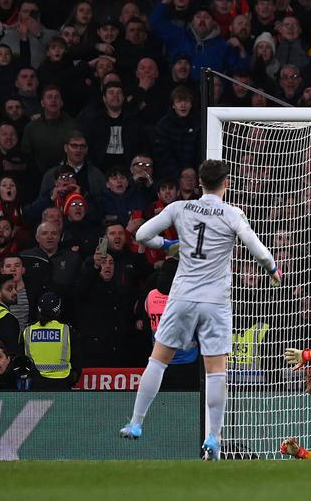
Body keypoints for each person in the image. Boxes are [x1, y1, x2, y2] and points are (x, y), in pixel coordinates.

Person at [120, 159, 280, 460]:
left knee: (158, 360)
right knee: (216, 371)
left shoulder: (180, 208)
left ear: (199, 184)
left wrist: (168, 246)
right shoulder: (233, 213)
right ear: (226, 183)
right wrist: (272, 269)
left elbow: (141, 235)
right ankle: (214, 437)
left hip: (181, 297)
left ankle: (136, 423)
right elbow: (257, 248)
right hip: (215, 301)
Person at [22, 291, 79, 390]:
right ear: (58, 310)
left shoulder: (28, 331)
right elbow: (77, 360)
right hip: (62, 382)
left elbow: (22, 359)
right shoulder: (66, 330)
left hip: (36, 383)